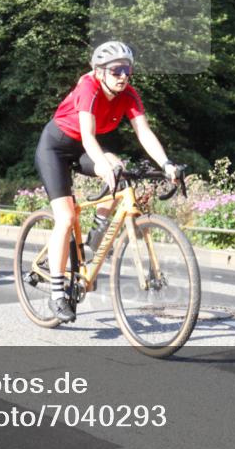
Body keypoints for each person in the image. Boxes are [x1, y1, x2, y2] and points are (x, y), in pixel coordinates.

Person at [35, 40, 180, 322]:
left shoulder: (129, 95)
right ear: (100, 72)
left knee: (120, 170)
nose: (123, 76)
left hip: (81, 149)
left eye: (127, 70)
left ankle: (94, 238)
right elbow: (88, 135)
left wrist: (166, 164)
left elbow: (144, 132)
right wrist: (101, 163)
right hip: (55, 147)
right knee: (65, 218)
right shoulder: (88, 87)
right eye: (116, 71)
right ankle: (56, 295)